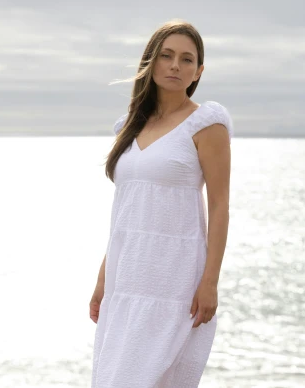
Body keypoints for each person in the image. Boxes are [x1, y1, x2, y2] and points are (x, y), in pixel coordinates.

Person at [89, 20, 233, 387]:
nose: (175, 66)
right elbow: (126, 212)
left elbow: (219, 206)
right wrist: (104, 279)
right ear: (151, 62)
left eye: (187, 60)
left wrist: (210, 282)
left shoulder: (206, 123)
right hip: (126, 274)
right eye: (166, 56)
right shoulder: (128, 126)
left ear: (199, 71)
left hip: (173, 277)